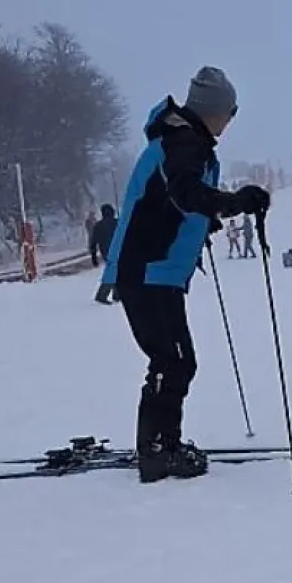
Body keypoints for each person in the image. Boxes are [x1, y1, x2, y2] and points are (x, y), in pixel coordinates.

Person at [101, 66, 271, 484]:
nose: (230, 120)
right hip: (148, 270)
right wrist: (231, 202)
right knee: (173, 360)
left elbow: (172, 203)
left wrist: (203, 222)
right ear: (213, 111)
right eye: (230, 112)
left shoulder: (181, 140)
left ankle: (163, 445)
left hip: (157, 271)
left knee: (175, 359)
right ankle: (158, 452)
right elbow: (186, 192)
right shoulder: (183, 144)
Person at [89, 203, 118, 304]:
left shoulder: (98, 226)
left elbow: (93, 243)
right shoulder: (117, 223)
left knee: (116, 272)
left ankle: (117, 294)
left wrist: (94, 257)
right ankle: (102, 295)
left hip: (106, 253)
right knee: (113, 273)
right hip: (118, 251)